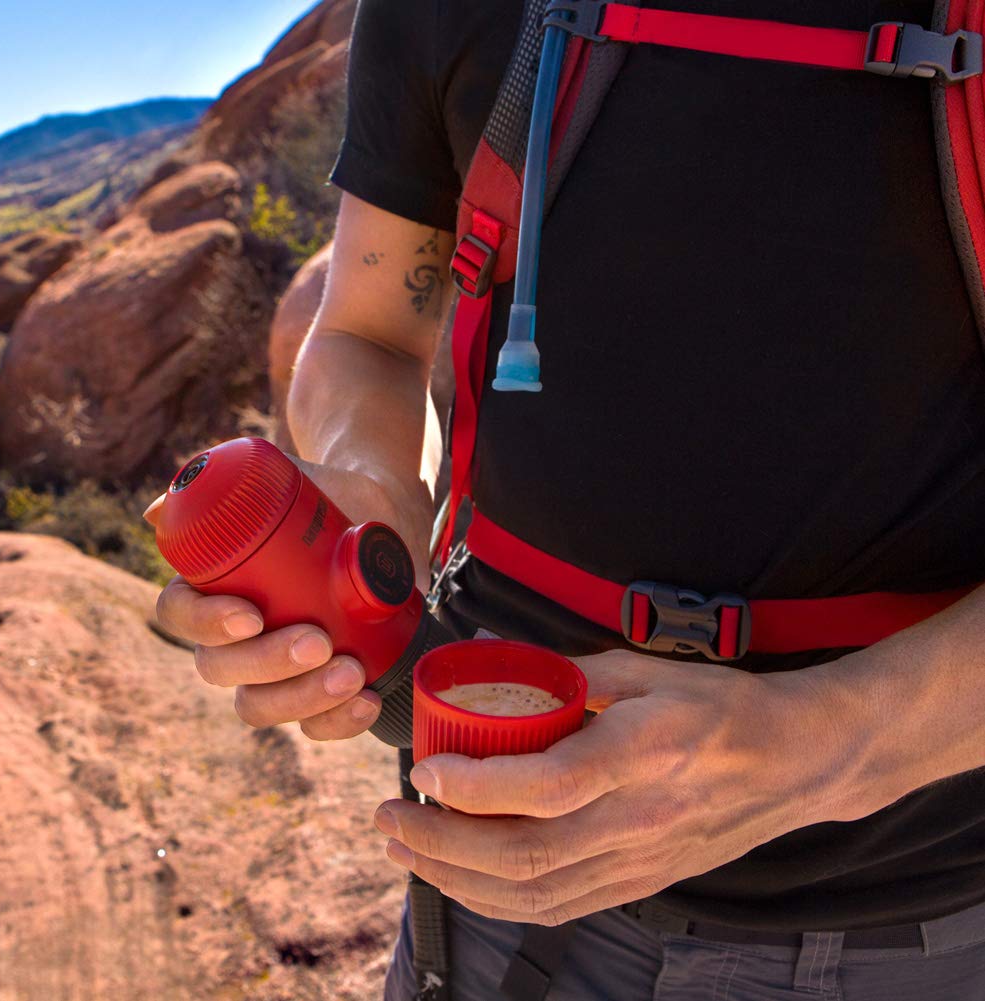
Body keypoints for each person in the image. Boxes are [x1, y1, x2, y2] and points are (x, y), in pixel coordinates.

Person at [151, 0, 985, 997]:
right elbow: (366, 335)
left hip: (911, 922)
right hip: (493, 887)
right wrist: (373, 491)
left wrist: (810, 747)